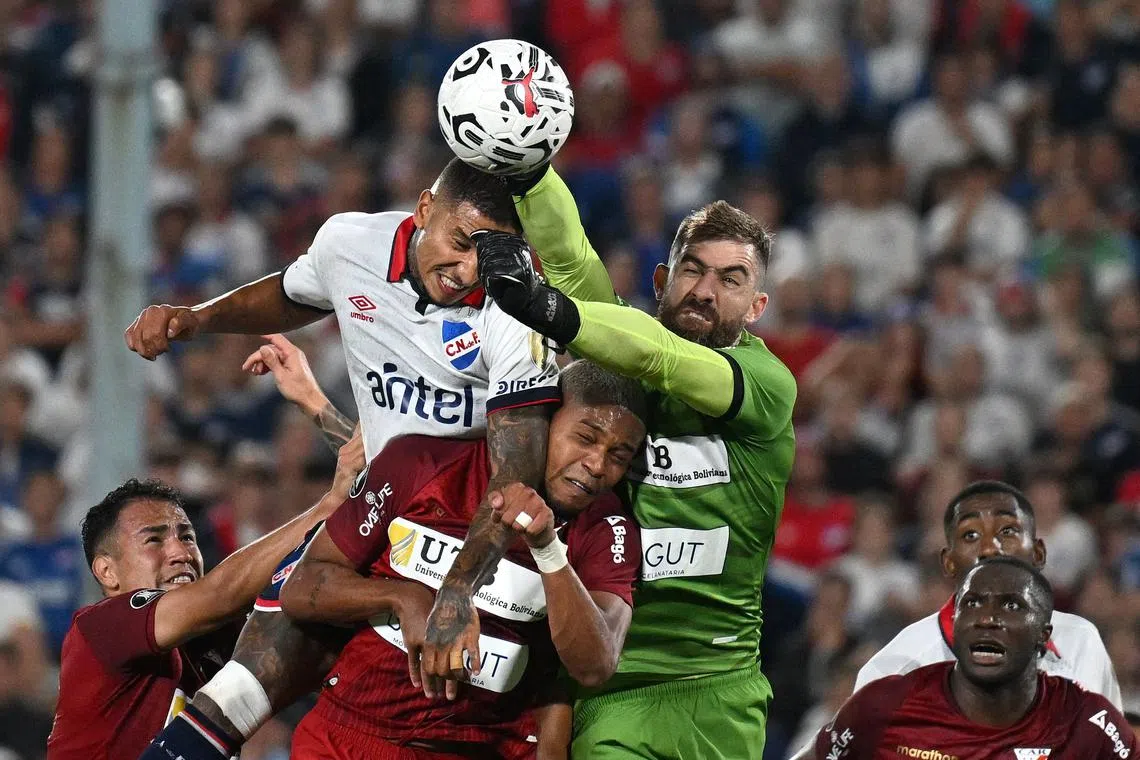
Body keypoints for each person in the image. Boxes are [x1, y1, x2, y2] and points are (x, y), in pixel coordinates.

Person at [126, 159, 562, 755]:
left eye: (485, 257)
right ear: (424, 210)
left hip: (469, 536)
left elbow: (515, 476)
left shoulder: (516, 305)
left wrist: (458, 589)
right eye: (460, 243)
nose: (467, 271)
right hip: (375, 512)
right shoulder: (349, 244)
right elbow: (291, 294)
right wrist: (198, 319)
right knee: (242, 681)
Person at [438, 164, 797, 758]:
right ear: (661, 279)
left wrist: (549, 308)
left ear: (757, 306)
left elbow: (665, 359)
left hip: (718, 687)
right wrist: (530, 173)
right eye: (692, 270)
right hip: (607, 685)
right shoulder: (618, 352)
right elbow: (571, 259)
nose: (705, 291)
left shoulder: (768, 384)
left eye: (730, 280)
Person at [279, 360, 647, 759]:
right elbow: (301, 588)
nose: (596, 465)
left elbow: (595, 665)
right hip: (348, 735)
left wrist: (547, 548)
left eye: (618, 456)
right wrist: (402, 598)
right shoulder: (422, 463)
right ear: (544, 421)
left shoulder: (606, 528)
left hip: (478, 748)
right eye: (585, 438)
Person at [45, 429, 363, 760]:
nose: (180, 553)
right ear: (107, 571)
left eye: (187, 537)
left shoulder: (212, 640)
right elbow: (222, 592)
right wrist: (328, 507)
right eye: (154, 540)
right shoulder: (101, 627)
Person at [787, 479, 1120, 760]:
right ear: (948, 562)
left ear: (1038, 553)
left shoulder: (1083, 641)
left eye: (1007, 531)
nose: (990, 548)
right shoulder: (900, 665)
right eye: (970, 535)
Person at [811, 557, 1137, 759]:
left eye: (1011, 605)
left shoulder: (1087, 722)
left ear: (1043, 634)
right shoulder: (884, 705)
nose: (986, 618)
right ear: (954, 623)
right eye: (972, 603)